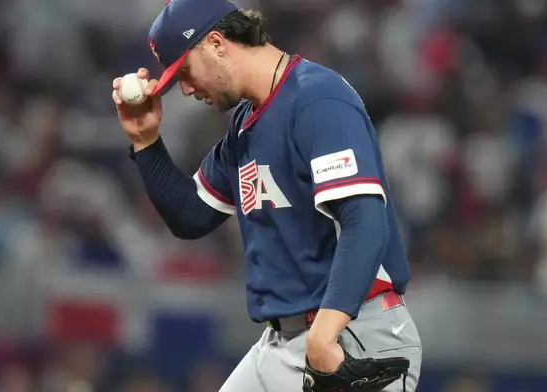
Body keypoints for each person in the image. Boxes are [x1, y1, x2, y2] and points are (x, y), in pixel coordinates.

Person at [111, 0, 422, 391]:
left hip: (353, 333)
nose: (186, 89)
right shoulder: (246, 124)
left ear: (217, 42)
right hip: (282, 342)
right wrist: (146, 141)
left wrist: (324, 336)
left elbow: (365, 222)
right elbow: (190, 215)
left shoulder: (317, 98)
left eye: (185, 72)